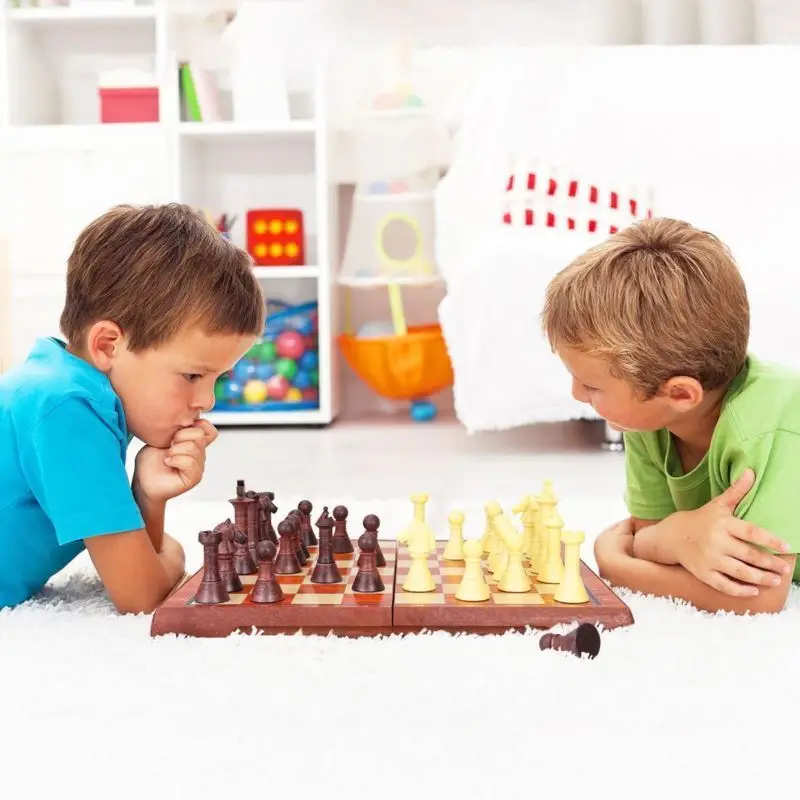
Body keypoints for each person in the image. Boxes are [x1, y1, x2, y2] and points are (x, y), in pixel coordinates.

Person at [0, 203, 264, 613]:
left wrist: (149, 496)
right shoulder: (66, 409)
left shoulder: (64, 386)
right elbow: (142, 596)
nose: (207, 401)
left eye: (218, 378)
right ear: (108, 345)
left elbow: (142, 568)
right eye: (193, 375)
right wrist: (174, 559)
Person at [541, 217, 800, 615]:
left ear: (679, 394)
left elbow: (762, 596)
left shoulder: (770, 426)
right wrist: (671, 536)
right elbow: (652, 539)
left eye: (592, 386)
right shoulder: (650, 423)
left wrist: (616, 565)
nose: (576, 393)